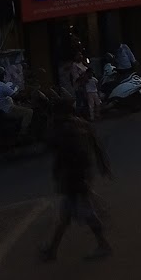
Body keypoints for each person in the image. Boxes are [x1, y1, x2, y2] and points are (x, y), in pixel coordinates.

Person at [39, 97, 112, 261]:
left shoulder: (65, 130)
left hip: (74, 177)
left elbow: (71, 153)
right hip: (78, 176)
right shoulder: (79, 125)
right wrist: (102, 165)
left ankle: (103, 244)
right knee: (66, 214)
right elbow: (96, 145)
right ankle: (52, 249)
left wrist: (79, 178)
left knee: (84, 212)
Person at [0, 64, 32, 140]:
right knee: (29, 112)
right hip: (7, 110)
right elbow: (16, 96)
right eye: (3, 74)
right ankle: (23, 134)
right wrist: (23, 91)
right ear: (0, 75)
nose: (4, 76)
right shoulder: (1, 85)